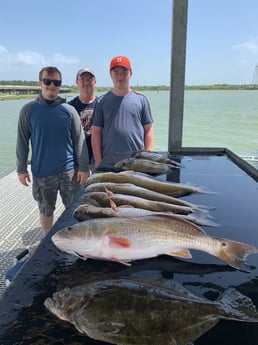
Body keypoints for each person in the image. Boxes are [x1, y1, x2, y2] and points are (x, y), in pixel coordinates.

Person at [16, 66, 90, 236]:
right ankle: (47, 240)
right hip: (43, 172)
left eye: (56, 82)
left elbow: (79, 141)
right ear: (40, 83)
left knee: (74, 208)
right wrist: (21, 169)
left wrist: (84, 168)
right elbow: (22, 141)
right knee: (46, 210)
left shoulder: (69, 110)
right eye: (47, 81)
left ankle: (75, 239)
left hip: (70, 171)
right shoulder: (28, 110)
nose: (51, 86)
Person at [91, 55, 154, 167]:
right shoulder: (101, 102)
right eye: (116, 72)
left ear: (131, 73)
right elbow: (96, 132)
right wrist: (98, 161)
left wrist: (148, 155)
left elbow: (148, 130)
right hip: (109, 162)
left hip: (136, 162)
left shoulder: (141, 100)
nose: (120, 76)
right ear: (111, 75)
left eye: (124, 72)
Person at [69, 68, 97, 164]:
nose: (86, 83)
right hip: (77, 160)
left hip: (97, 158)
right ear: (77, 82)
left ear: (95, 82)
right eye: (82, 79)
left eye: (89, 79)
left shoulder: (103, 105)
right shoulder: (69, 107)